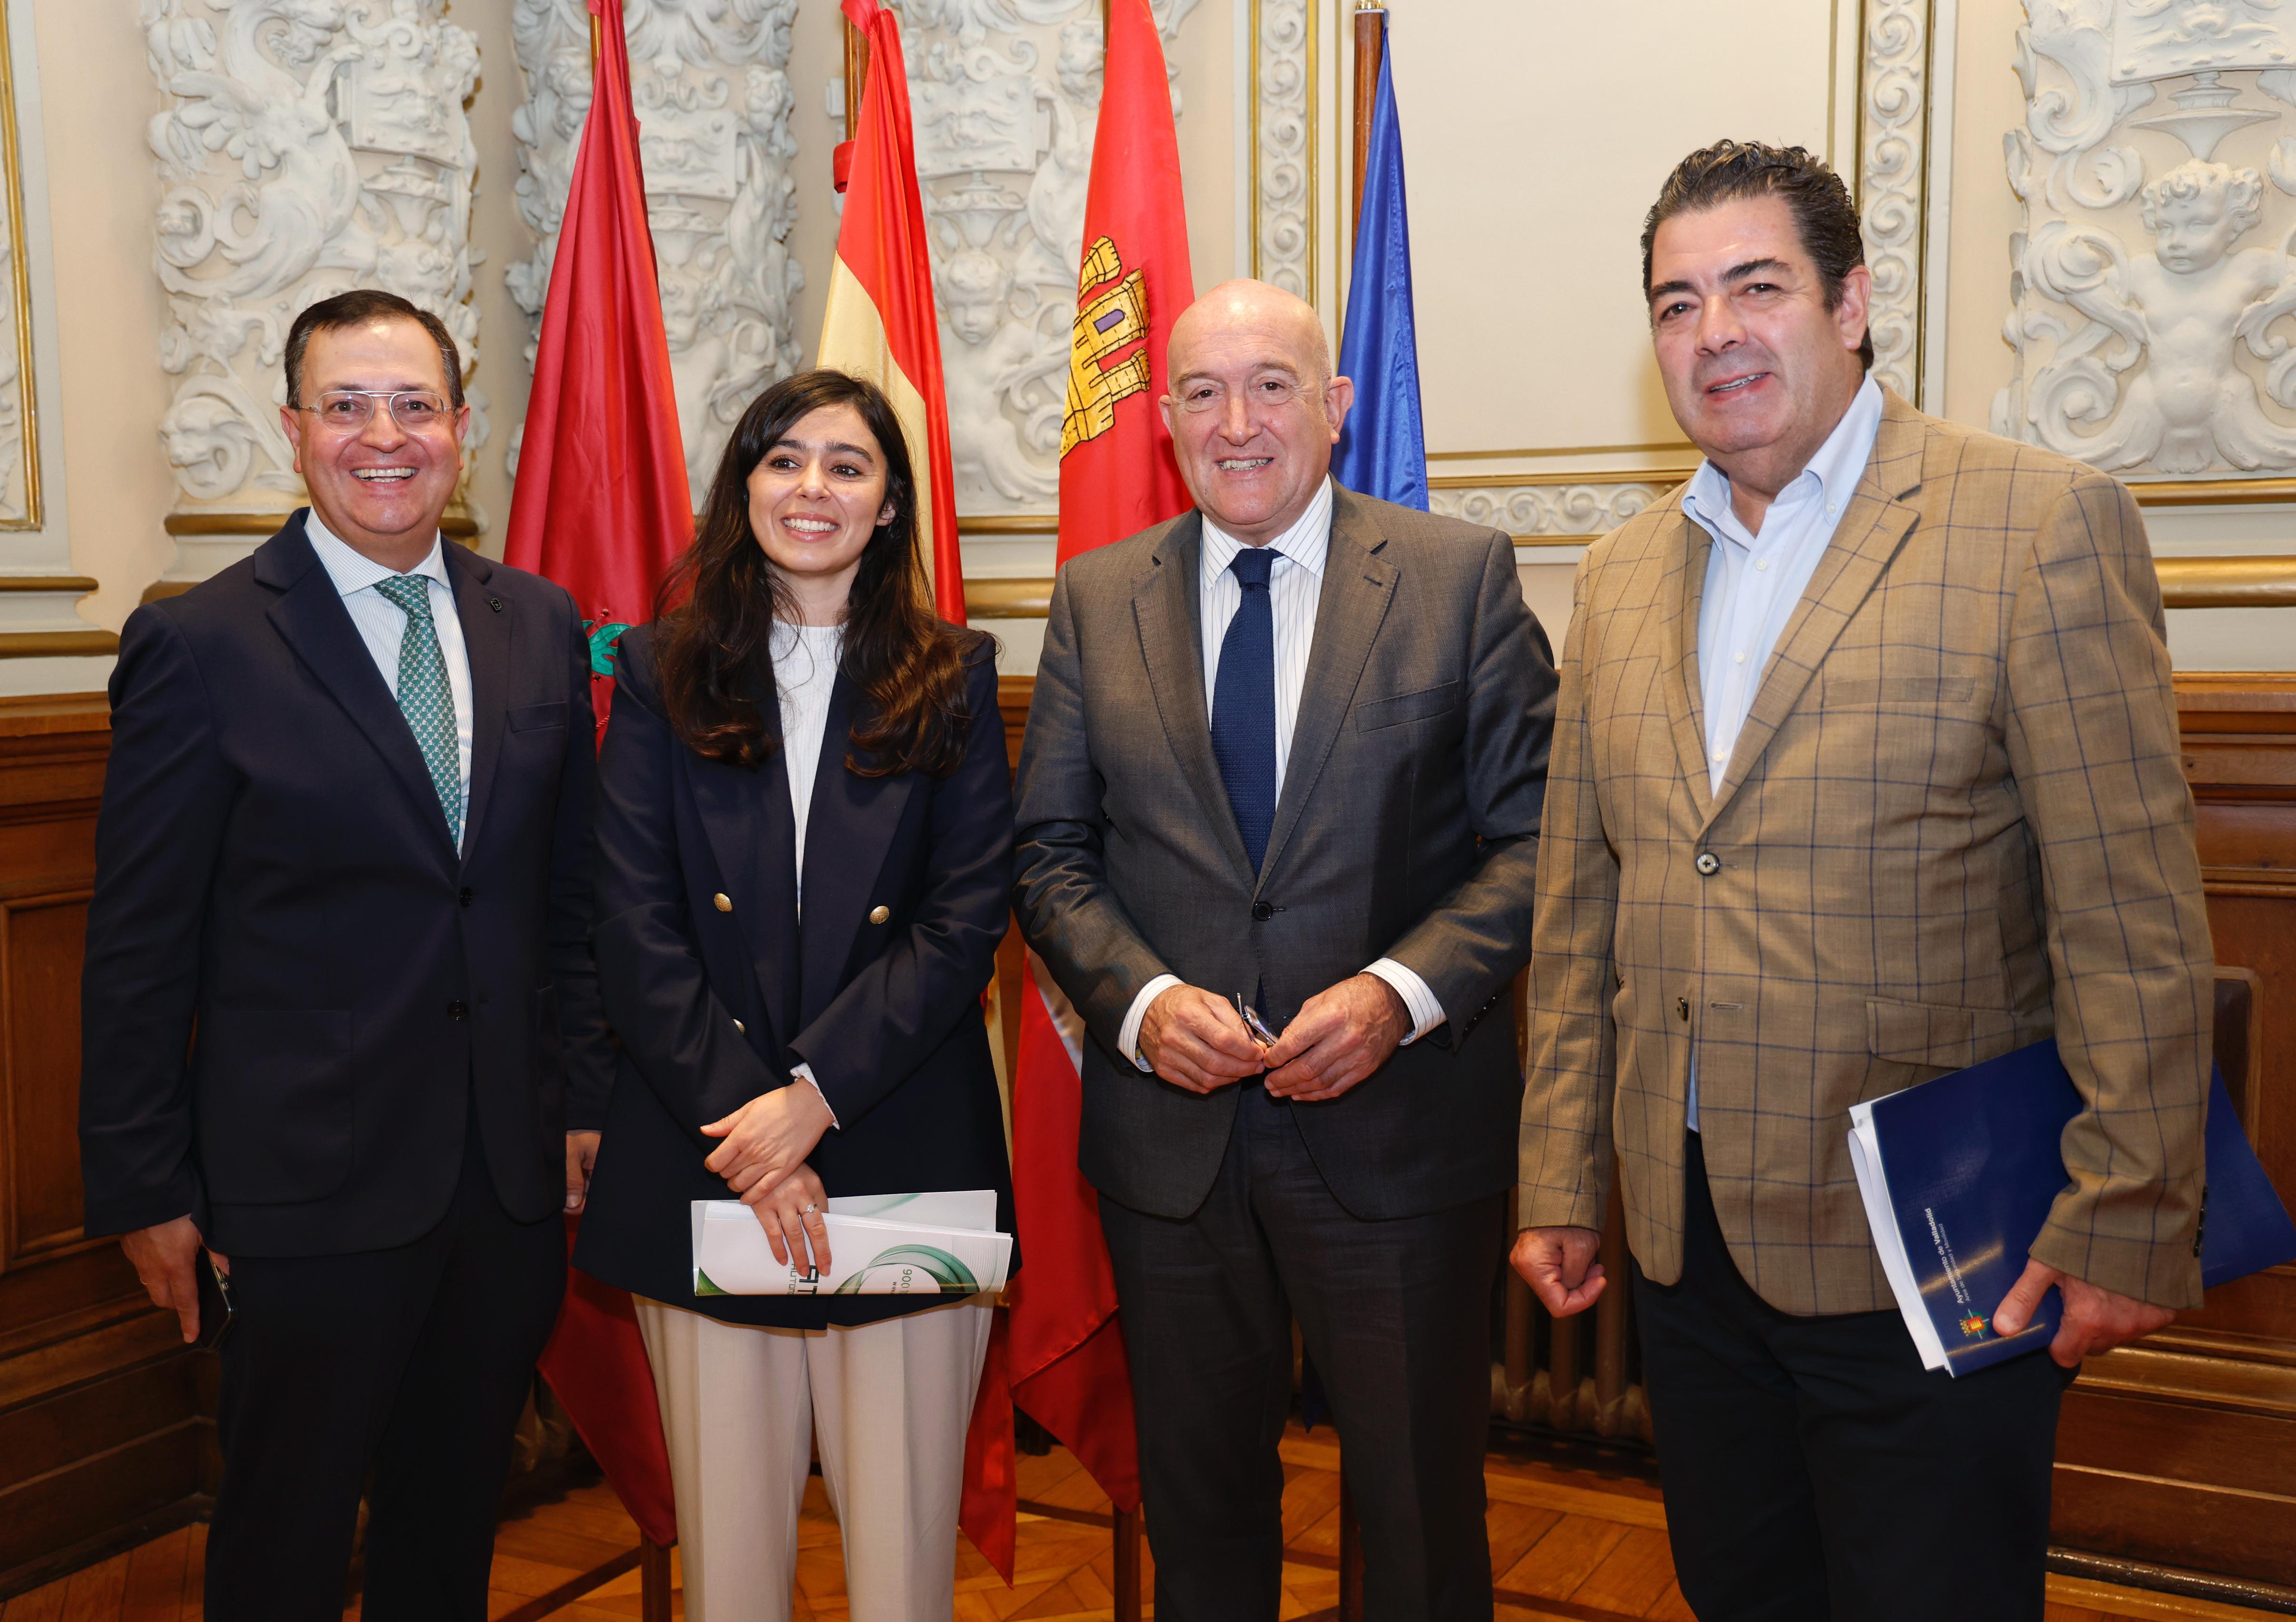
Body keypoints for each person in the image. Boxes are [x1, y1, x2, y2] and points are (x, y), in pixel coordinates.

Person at [1512, 141, 2213, 1621]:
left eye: (1756, 287)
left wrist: (2131, 1211)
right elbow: (1583, 919)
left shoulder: (2036, 525)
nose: (1716, 333)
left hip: (1943, 1243)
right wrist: (1564, 1176)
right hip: (1689, 1251)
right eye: (1678, 304)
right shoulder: (1619, 577)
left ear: (1851, 303)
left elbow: (2129, 916)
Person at [1013, 279, 1558, 1619]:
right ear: (1166, 420)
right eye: (1202, 392)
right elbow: (1049, 855)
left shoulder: (1458, 579)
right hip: (1173, 1151)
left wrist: (1397, 995)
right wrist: (1141, 1002)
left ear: (1336, 406)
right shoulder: (1097, 598)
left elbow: (1540, 841)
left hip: (1399, 1138)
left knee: (1421, 1528)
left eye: (1271, 386)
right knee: (1201, 1530)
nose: (1237, 422)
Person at [77, 289, 612, 1618]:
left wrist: (583, 1102)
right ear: (294, 429)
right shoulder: (201, 643)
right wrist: (144, 1185)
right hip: (302, 1190)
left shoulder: (538, 621)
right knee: (286, 1540)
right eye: (347, 406)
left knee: (452, 1526)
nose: (385, 436)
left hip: (500, 1183)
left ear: (462, 428)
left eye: (414, 405)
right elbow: (139, 945)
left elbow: (568, 897)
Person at [571, 369, 1013, 1622]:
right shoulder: (658, 671)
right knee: (731, 1575)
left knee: (903, 1576)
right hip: (706, 1153)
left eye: (847, 465)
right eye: (783, 460)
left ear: (889, 505)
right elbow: (633, 925)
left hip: (900, 1149)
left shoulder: (955, 673)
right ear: (744, 488)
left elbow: (965, 920)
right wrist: (755, 1131)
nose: (813, 487)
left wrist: (812, 1100)